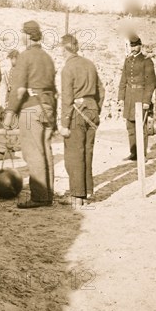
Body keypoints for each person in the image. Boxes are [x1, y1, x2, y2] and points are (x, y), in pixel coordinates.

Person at [3, 20, 57, 209]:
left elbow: (18, 89)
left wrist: (10, 113)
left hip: (31, 109)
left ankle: (39, 197)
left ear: (27, 35)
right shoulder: (47, 57)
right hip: (48, 107)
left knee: (33, 152)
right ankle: (48, 194)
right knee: (46, 150)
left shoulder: (26, 57)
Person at [58, 34, 105, 207]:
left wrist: (64, 123)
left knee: (74, 154)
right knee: (87, 152)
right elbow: (101, 90)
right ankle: (86, 191)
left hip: (77, 113)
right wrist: (95, 107)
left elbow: (67, 98)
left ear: (64, 49)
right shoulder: (90, 64)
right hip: (91, 111)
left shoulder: (67, 69)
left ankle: (77, 196)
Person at [117, 34, 156, 161]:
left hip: (140, 97)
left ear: (140, 46)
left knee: (141, 127)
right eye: (131, 46)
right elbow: (123, 80)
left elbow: (151, 83)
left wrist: (146, 101)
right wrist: (121, 98)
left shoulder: (146, 61)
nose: (133, 48)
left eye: (135, 46)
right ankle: (133, 153)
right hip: (129, 97)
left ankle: (142, 155)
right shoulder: (127, 60)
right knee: (130, 126)